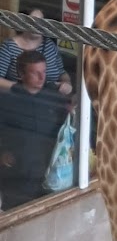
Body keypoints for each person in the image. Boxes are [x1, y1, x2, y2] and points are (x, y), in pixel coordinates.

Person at [0, 51, 70, 210]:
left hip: (51, 172)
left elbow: (67, 127)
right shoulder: (7, 101)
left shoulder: (54, 98)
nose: (41, 77)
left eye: (44, 72)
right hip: (18, 175)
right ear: (21, 74)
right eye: (35, 73)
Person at [0, 7, 72, 95]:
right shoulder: (9, 47)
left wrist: (67, 83)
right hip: (22, 99)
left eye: (41, 22)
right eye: (32, 21)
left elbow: (62, 73)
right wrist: (20, 88)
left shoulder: (49, 45)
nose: (38, 25)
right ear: (22, 23)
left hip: (51, 98)